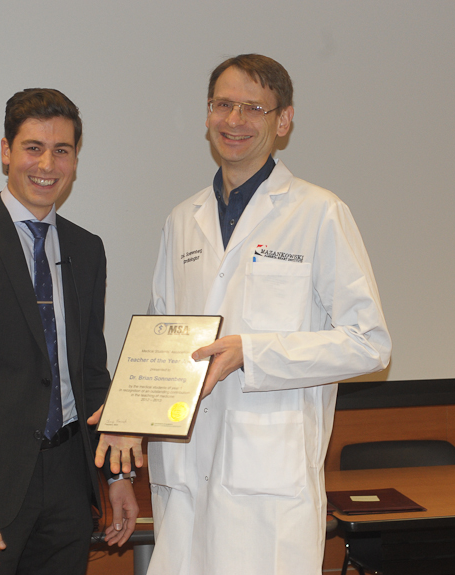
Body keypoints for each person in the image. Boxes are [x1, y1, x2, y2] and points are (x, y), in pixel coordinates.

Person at [145, 55, 392, 574]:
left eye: (253, 108)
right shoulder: (180, 221)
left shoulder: (319, 212)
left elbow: (370, 343)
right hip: (186, 470)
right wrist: (130, 419)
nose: (234, 120)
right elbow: (161, 341)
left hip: (269, 484)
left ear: (284, 121)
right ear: (207, 113)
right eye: (223, 105)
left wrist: (251, 352)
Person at [0, 88, 138, 575]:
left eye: (62, 150)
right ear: (6, 152)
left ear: (76, 159)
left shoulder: (88, 248)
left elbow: (92, 374)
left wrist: (119, 477)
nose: (47, 164)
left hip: (70, 486)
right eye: (33, 147)